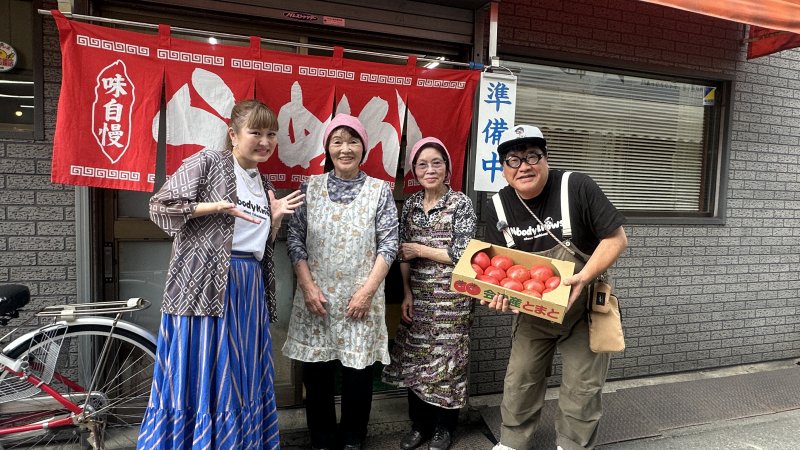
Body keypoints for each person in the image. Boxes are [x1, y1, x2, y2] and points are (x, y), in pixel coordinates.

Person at [138, 99, 304, 449]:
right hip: (203, 285)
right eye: (255, 132)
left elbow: (259, 243)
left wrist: (274, 220)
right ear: (233, 134)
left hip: (247, 284)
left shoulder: (265, 181)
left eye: (271, 134)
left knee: (240, 373)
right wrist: (214, 206)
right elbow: (159, 207)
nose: (264, 141)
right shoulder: (208, 161)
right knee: (202, 370)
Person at [482, 125, 628, 450]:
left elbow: (616, 239)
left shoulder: (575, 186)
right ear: (503, 170)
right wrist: (501, 296)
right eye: (513, 160)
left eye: (532, 155)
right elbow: (498, 267)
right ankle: (511, 441)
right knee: (520, 379)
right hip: (533, 313)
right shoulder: (498, 206)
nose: (524, 166)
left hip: (583, 309)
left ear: (546, 159)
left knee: (582, 387)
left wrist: (586, 276)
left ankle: (572, 444)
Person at [283, 113, 399, 450]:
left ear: (364, 147)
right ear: (328, 148)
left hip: (361, 297)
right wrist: (307, 286)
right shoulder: (310, 188)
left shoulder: (380, 191)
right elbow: (295, 240)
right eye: (337, 141)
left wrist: (366, 292)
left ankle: (353, 438)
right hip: (316, 296)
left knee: (358, 373)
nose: (345, 148)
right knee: (317, 371)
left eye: (352, 141)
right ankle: (321, 438)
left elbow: (389, 244)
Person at [381, 137, 477, 450]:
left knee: (448, 363)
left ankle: (443, 429)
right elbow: (403, 254)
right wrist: (406, 292)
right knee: (416, 360)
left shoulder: (460, 203)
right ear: (414, 171)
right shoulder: (409, 204)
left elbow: (464, 253)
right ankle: (419, 426)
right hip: (419, 297)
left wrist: (422, 248)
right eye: (422, 164)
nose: (430, 169)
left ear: (447, 168)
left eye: (437, 162)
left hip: (453, 299)